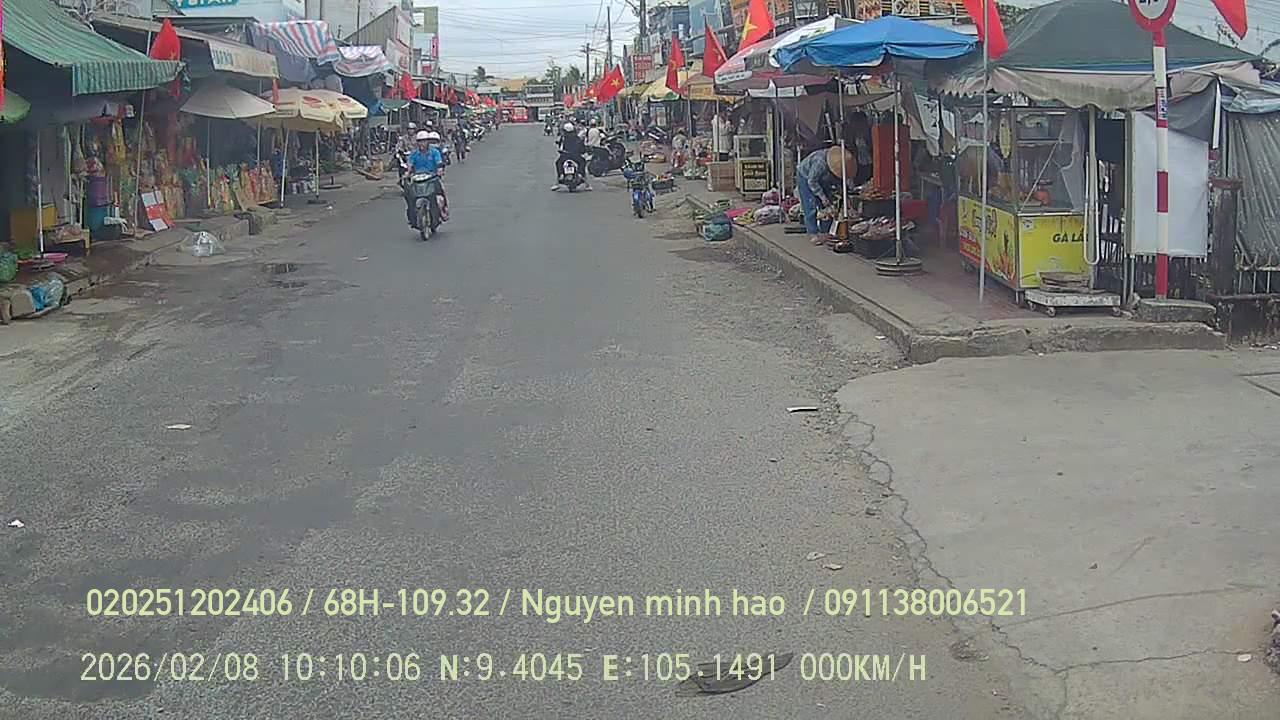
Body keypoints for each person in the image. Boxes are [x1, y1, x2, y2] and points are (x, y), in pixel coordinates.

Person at [796, 146, 855, 246]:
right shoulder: (820, 163)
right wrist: (822, 197)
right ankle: (813, 232)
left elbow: (841, 184)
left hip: (822, 179)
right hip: (806, 177)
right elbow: (812, 181)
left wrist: (845, 196)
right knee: (810, 205)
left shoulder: (841, 166)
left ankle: (825, 231)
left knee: (828, 205)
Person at [402, 130, 447, 227]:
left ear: (428, 142)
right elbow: (410, 165)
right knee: (409, 195)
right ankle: (412, 217)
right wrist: (407, 173)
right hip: (417, 178)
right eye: (420, 141)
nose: (422, 143)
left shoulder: (434, 152)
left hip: (432, 177)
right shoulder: (414, 153)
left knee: (441, 191)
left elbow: (439, 162)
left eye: (424, 141)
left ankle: (444, 210)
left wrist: (439, 170)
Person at [552, 121, 590, 191]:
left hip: (565, 155)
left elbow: (560, 147)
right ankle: (582, 176)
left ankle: (560, 176)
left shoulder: (563, 138)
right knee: (582, 162)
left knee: (558, 163)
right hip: (576, 156)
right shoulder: (577, 138)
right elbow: (582, 149)